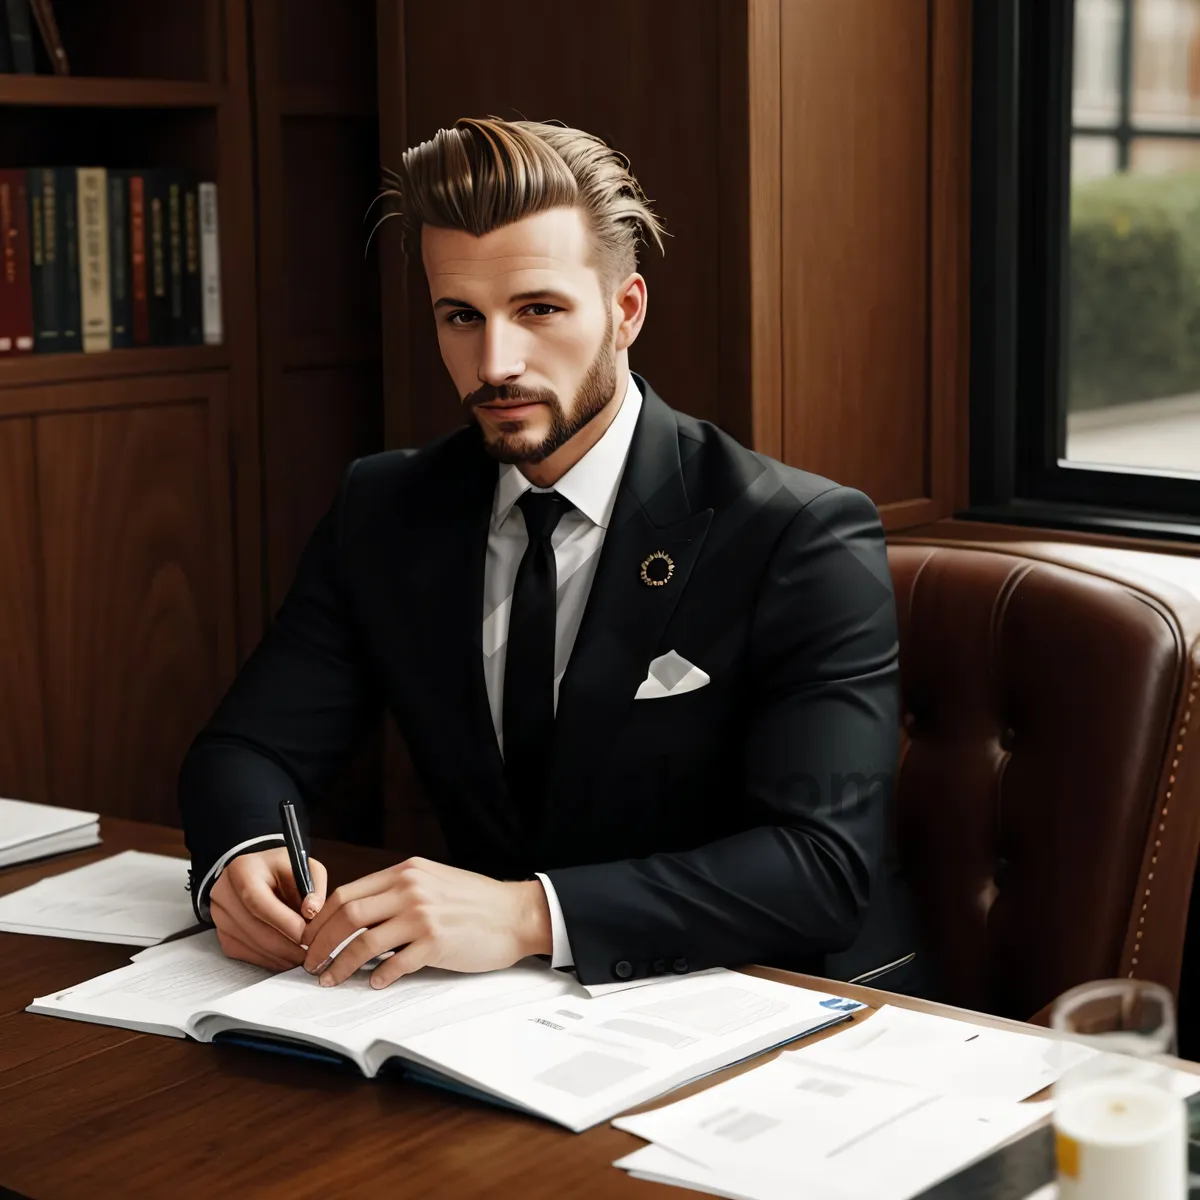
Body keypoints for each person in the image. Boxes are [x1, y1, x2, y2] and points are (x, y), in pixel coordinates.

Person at [179, 116, 930, 998]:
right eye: (461, 317)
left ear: (626, 311)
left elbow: (820, 870)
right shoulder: (387, 510)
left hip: (776, 1004)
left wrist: (526, 915)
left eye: (538, 309)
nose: (495, 362)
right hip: (495, 1019)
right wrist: (243, 851)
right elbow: (247, 747)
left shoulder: (799, 532)